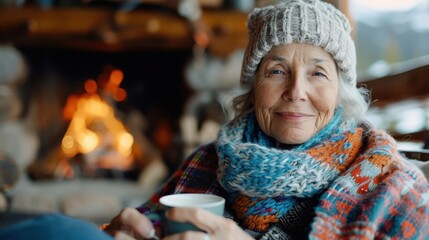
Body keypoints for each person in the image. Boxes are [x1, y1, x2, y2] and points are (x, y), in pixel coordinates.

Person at [103, 0, 429, 239]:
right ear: (254, 90)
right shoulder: (206, 163)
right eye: (276, 71)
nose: (296, 91)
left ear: (341, 92)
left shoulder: (392, 185)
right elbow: (148, 221)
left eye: (317, 73)